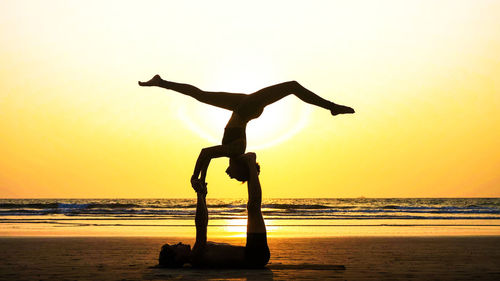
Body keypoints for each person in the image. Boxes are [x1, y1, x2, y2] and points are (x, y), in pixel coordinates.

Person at [139, 75, 354, 185]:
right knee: (292, 86)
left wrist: (202, 179)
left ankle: (161, 82)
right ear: (239, 168)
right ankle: (331, 107)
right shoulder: (236, 150)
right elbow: (205, 153)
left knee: (201, 95)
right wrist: (194, 177)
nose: (229, 176)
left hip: (242, 108)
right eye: (234, 177)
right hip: (247, 108)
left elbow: (210, 157)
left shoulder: (231, 151)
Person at [159, 152, 270, 268]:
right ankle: (251, 162)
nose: (179, 243)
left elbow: (203, 221)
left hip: (253, 253)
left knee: (252, 207)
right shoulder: (197, 255)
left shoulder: (198, 253)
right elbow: (201, 225)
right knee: (253, 207)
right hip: (255, 256)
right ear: (176, 258)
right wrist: (199, 194)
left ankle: (250, 167)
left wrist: (202, 196)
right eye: (176, 246)